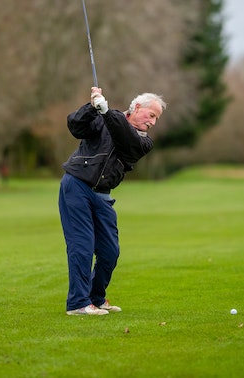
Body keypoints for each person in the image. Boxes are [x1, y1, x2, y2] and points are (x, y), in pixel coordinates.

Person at [59, 86, 166, 315]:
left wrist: (106, 112)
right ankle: (78, 303)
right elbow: (75, 126)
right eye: (152, 115)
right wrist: (91, 107)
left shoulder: (143, 142)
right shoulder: (103, 115)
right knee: (82, 245)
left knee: (110, 251)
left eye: (156, 118)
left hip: (103, 195)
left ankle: (96, 298)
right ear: (137, 108)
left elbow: (124, 138)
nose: (153, 122)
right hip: (77, 185)